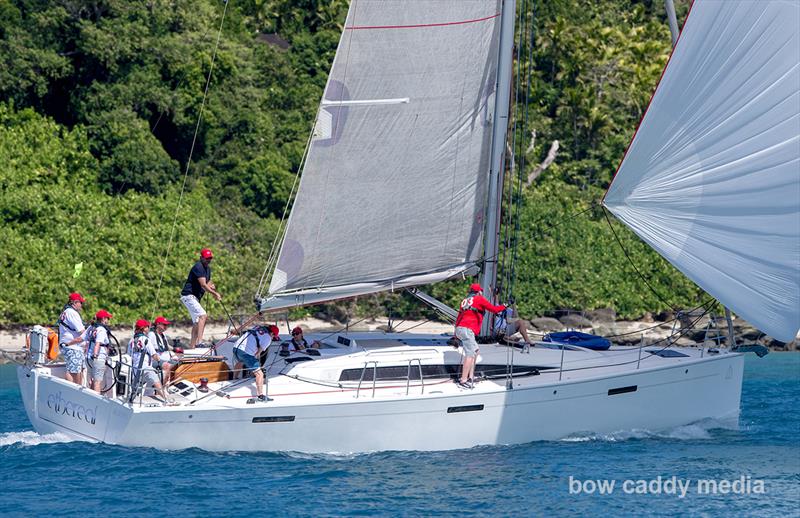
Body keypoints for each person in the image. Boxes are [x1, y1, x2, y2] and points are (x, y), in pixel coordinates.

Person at [454, 283, 506, 389]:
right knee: (470, 354)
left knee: (476, 351)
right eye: (481, 291)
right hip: (467, 330)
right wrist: (505, 305)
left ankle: (471, 376)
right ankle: (463, 380)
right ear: (478, 292)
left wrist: (455, 335)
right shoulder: (479, 299)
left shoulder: (464, 301)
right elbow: (494, 310)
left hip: (460, 328)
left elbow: (459, 317)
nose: (482, 293)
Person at [180, 248, 222, 348]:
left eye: (210, 258)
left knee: (197, 322)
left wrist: (211, 286)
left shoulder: (208, 269)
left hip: (195, 298)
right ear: (201, 258)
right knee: (203, 315)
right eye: (206, 258)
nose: (208, 260)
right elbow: (203, 284)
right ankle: (199, 343)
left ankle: (192, 347)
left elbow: (208, 282)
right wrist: (214, 293)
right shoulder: (198, 267)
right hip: (188, 296)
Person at [128, 319, 170, 404]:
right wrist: (159, 360)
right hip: (145, 367)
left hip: (135, 369)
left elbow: (129, 354)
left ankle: (139, 398)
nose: (149, 328)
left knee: (140, 385)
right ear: (144, 328)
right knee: (156, 381)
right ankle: (166, 399)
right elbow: (154, 355)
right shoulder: (146, 340)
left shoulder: (132, 340)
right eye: (147, 327)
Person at [232, 325, 273, 402]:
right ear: (272, 334)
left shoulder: (257, 327)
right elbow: (258, 353)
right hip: (245, 352)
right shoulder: (268, 338)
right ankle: (260, 395)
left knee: (241, 361)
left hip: (235, 348)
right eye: (274, 336)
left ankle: (234, 379)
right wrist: (256, 364)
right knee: (259, 374)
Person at [58, 292, 87, 385]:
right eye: (80, 303)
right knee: (73, 371)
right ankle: (74, 392)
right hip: (72, 347)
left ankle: (78, 390)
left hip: (70, 346)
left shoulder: (66, 312)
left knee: (78, 370)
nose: (82, 305)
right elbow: (82, 331)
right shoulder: (72, 313)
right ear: (75, 302)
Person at [84, 310, 114, 395]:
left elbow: (85, 340)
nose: (108, 320)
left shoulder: (93, 328)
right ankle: (96, 403)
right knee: (97, 382)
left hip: (89, 357)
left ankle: (90, 399)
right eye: (107, 318)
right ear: (103, 319)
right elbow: (98, 344)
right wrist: (96, 355)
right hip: (98, 358)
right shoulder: (101, 330)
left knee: (92, 380)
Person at [148, 316, 178, 384]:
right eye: (164, 324)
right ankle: (163, 387)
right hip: (155, 359)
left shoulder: (163, 335)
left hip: (166, 357)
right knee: (167, 366)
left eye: (167, 325)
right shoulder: (151, 335)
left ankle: (173, 383)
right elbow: (149, 349)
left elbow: (166, 346)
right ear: (158, 324)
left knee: (178, 364)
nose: (166, 326)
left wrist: (174, 351)